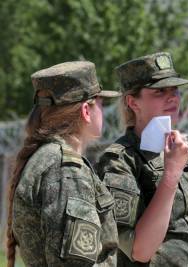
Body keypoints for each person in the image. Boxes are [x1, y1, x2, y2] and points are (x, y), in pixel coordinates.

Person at [96, 52, 188, 267]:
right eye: (159, 91)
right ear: (133, 102)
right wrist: (170, 175)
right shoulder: (119, 162)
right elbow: (139, 250)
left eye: (175, 90)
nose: (173, 97)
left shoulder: (185, 152)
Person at [7, 61, 121, 267]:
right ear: (86, 111)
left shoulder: (47, 158)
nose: (103, 110)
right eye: (100, 102)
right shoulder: (65, 171)